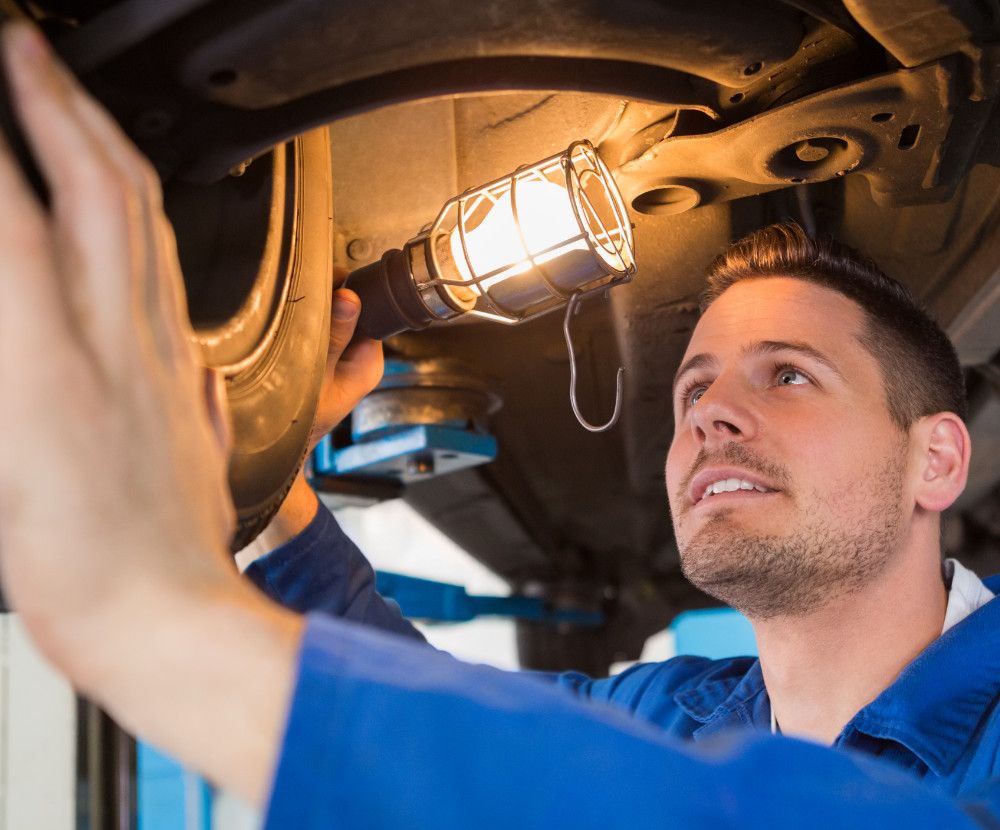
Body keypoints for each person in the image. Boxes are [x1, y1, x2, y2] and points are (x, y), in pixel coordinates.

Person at [0, 20, 996, 828]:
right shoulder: (672, 713)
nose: (713, 415)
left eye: (788, 374)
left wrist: (145, 611)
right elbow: (426, 718)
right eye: (693, 390)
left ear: (936, 456)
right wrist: (276, 481)